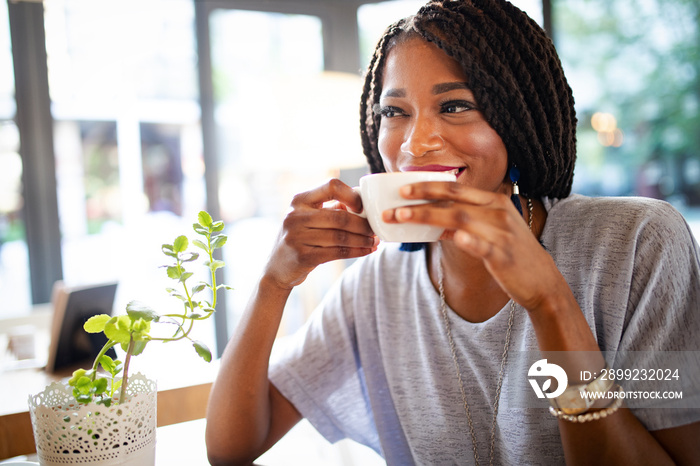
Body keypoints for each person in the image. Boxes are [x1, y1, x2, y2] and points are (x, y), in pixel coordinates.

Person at [205, 0, 700, 464]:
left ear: (516, 117)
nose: (416, 144)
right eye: (395, 112)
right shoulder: (375, 286)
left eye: (456, 105)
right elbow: (232, 447)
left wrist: (551, 302)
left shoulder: (636, 242)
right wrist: (275, 283)